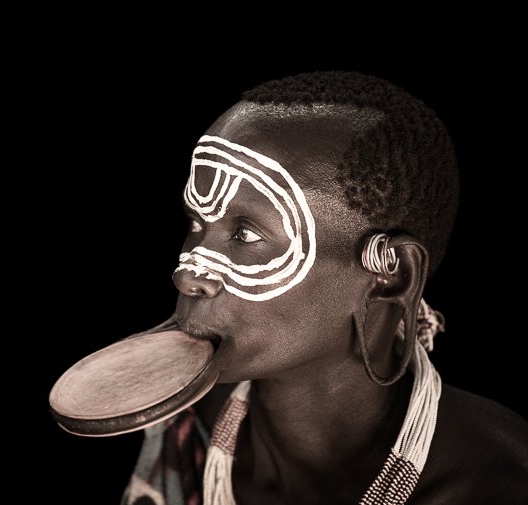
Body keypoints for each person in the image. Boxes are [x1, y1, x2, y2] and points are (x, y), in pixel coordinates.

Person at [121, 72, 528, 505]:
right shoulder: (184, 426)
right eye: (196, 224)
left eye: (245, 235)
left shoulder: (500, 483)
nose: (187, 273)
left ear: (393, 273)